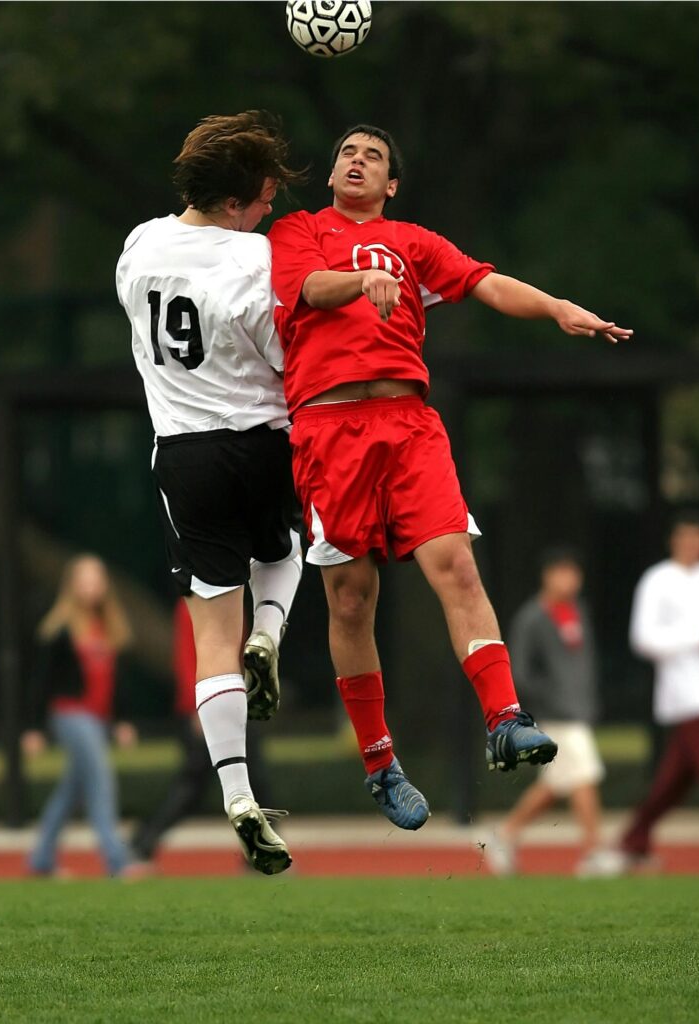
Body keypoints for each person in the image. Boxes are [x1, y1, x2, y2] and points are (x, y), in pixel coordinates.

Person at [268, 124, 632, 830]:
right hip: (328, 429)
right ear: (332, 173)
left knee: (456, 568)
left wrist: (557, 307)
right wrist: (359, 280)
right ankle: (380, 764)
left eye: (372, 156)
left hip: (408, 425)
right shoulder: (301, 229)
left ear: (391, 184)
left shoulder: (412, 242)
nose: (356, 161)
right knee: (349, 600)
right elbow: (308, 287)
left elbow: (486, 282)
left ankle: (504, 718)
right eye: (347, 152)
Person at [116, 112, 305, 875]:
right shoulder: (255, 259)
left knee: (209, 641)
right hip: (262, 441)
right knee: (287, 548)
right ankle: (273, 630)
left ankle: (236, 795)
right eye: (263, 198)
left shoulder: (138, 245)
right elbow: (282, 356)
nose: (269, 211)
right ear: (237, 202)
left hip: (184, 458)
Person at [485, 547, 617, 876]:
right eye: (561, 572)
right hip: (555, 714)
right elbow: (522, 672)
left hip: (577, 710)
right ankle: (593, 851)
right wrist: (552, 700)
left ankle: (504, 835)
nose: (569, 580)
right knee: (585, 775)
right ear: (547, 575)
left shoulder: (578, 611)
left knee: (556, 785)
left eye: (573, 572)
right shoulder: (533, 616)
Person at [128, 600, 274, 869]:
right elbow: (186, 655)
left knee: (255, 781)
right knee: (193, 785)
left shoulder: (234, 599)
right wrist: (196, 706)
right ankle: (142, 843)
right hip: (207, 708)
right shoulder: (193, 601)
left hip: (235, 705)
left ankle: (257, 854)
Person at [22, 554, 135, 878]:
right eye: (84, 580)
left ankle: (41, 859)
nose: (91, 587)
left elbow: (116, 682)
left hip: (98, 719)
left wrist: (123, 721)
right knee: (100, 780)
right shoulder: (59, 631)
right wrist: (33, 728)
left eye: (96, 579)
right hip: (71, 715)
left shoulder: (109, 626)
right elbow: (40, 684)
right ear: (72, 586)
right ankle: (117, 860)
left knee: (72, 790)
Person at [618, 510, 699, 869]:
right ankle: (632, 841)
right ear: (675, 542)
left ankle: (633, 841)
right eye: (686, 539)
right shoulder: (657, 581)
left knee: (673, 782)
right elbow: (643, 638)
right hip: (685, 695)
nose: (693, 546)